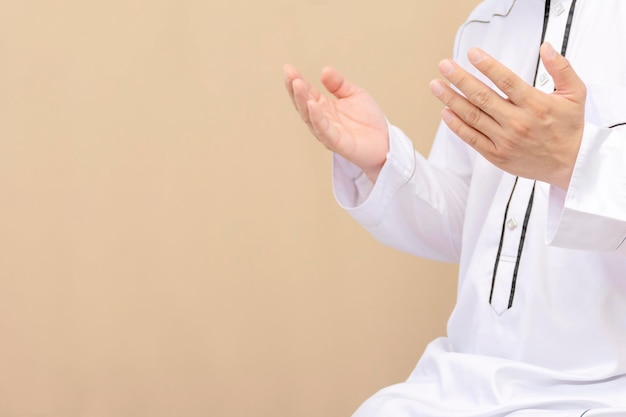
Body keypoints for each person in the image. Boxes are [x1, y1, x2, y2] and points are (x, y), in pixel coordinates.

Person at [284, 0, 626, 416]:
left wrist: (577, 161)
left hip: (605, 391)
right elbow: (472, 229)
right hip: (462, 380)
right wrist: (384, 162)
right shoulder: (485, 24)